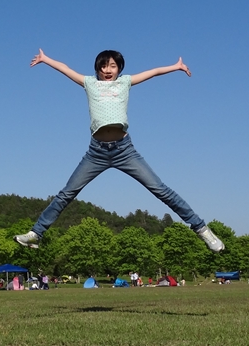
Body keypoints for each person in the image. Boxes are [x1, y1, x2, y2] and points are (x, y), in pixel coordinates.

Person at [14, 49, 224, 252]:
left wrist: (176, 66)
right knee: (66, 194)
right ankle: (36, 234)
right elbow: (65, 68)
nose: (108, 69)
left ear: (119, 69)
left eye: (112, 66)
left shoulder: (125, 83)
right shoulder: (89, 83)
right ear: (97, 69)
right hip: (96, 153)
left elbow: (152, 72)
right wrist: (45, 59)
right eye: (104, 66)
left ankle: (201, 229)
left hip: (125, 150)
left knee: (160, 190)